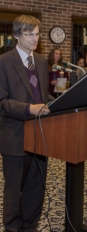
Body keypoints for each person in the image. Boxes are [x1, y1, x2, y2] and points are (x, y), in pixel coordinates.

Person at [0, 15, 54, 231]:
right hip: (14, 136)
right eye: (29, 34)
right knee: (14, 190)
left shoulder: (41, 61)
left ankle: (30, 226)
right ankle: (12, 228)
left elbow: (42, 94)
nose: (35, 38)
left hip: (40, 135)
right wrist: (27, 109)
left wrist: (57, 103)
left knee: (35, 188)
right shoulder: (3, 62)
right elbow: (1, 102)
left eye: (37, 34)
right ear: (16, 35)